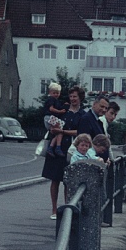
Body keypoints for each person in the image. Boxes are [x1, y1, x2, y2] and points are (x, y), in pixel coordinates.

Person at [41, 85, 85, 220]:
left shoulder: (83, 114)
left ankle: (67, 207)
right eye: (71, 96)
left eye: (75, 97)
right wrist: (56, 130)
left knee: (68, 180)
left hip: (71, 149)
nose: (72, 99)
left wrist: (63, 131)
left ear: (80, 98)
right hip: (56, 149)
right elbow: (52, 125)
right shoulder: (63, 111)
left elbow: (80, 132)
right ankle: (54, 209)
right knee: (55, 179)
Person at [43, 83, 69, 157]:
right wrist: (60, 112)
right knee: (60, 129)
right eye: (54, 93)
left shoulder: (56, 100)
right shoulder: (51, 99)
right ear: (50, 93)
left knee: (57, 132)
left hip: (49, 118)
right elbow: (51, 109)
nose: (56, 94)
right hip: (49, 117)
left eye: (57, 93)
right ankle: (57, 147)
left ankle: (51, 147)